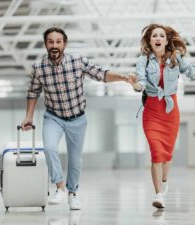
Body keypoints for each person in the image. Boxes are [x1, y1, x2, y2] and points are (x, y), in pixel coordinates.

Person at [21, 27, 130, 210]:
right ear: (45, 44)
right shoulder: (38, 67)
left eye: (58, 41)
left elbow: (101, 74)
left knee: (75, 159)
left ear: (64, 44)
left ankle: (73, 194)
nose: (54, 45)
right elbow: (33, 92)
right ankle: (60, 188)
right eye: (50, 42)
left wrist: (123, 77)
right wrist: (28, 117)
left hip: (77, 118)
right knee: (49, 147)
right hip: (53, 116)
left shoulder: (77, 61)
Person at [128, 24, 195, 209]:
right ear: (150, 40)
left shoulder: (176, 58)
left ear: (166, 40)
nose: (157, 38)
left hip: (170, 112)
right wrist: (134, 84)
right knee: (156, 152)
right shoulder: (143, 60)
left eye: (161, 36)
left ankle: (164, 181)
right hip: (152, 111)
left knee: (167, 156)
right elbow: (141, 83)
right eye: (154, 35)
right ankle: (158, 195)